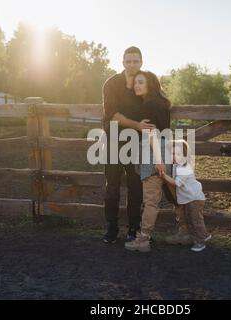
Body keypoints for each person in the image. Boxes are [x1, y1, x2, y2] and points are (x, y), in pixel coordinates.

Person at [102, 47, 156, 244]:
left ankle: (133, 228)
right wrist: (136, 124)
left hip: (138, 142)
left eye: (135, 61)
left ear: (141, 62)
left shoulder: (145, 82)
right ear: (122, 62)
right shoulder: (111, 84)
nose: (132, 65)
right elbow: (112, 114)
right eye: (128, 61)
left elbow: (156, 102)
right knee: (112, 186)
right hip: (114, 140)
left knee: (136, 187)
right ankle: (112, 227)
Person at [124, 71, 174, 253]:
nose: (136, 85)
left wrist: (158, 161)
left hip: (154, 153)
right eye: (135, 82)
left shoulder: (148, 105)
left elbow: (152, 133)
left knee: (151, 201)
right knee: (175, 196)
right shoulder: (162, 104)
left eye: (140, 82)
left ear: (149, 85)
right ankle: (186, 231)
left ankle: (143, 239)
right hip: (165, 150)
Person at [160, 139, 212, 252]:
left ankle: (202, 239)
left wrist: (163, 176)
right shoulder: (177, 166)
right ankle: (188, 236)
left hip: (194, 198)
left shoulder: (185, 167)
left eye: (178, 154)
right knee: (187, 219)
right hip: (187, 199)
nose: (174, 156)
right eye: (172, 153)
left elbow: (176, 183)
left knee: (195, 220)